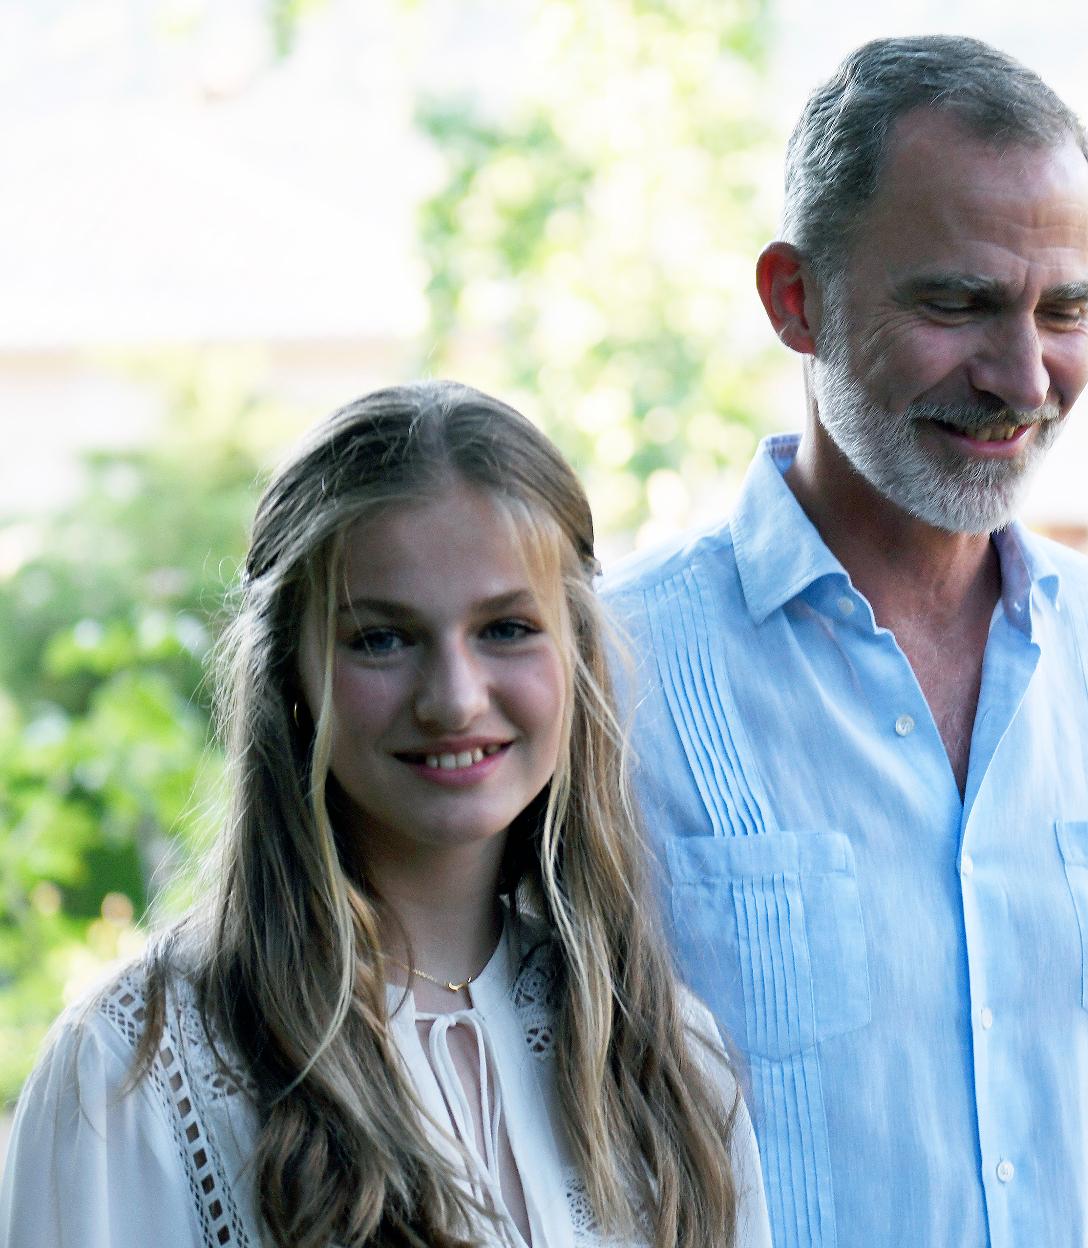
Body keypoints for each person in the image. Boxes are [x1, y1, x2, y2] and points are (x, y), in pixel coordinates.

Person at [602, 35, 1088, 1247]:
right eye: (956, 303)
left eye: (1064, 311)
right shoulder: (611, 667)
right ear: (797, 301)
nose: (1022, 376)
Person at [0, 382, 770, 1248]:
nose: (454, 699)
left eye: (507, 628)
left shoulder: (668, 1062)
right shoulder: (134, 1077)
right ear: (294, 672)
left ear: (578, 652)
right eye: (381, 638)